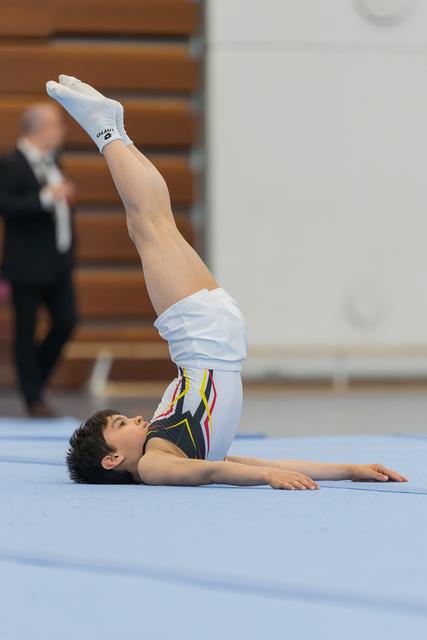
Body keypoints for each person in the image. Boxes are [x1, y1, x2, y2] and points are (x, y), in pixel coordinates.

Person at [47, 75, 408, 489]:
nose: (137, 418)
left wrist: (341, 471)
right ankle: (107, 130)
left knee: (154, 222)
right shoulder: (154, 464)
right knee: (149, 224)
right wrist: (302, 472)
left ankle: (113, 131)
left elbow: (236, 462)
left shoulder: (169, 447)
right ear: (113, 459)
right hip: (205, 336)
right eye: (123, 423)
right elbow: (218, 470)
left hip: (212, 336)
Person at [0, 103, 78, 417]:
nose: (62, 132)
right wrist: (48, 197)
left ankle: (36, 383)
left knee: (66, 321)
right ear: (41, 129)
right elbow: (8, 206)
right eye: (58, 125)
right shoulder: (11, 163)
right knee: (26, 329)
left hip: (58, 262)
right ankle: (33, 397)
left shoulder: (54, 162)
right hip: (26, 264)